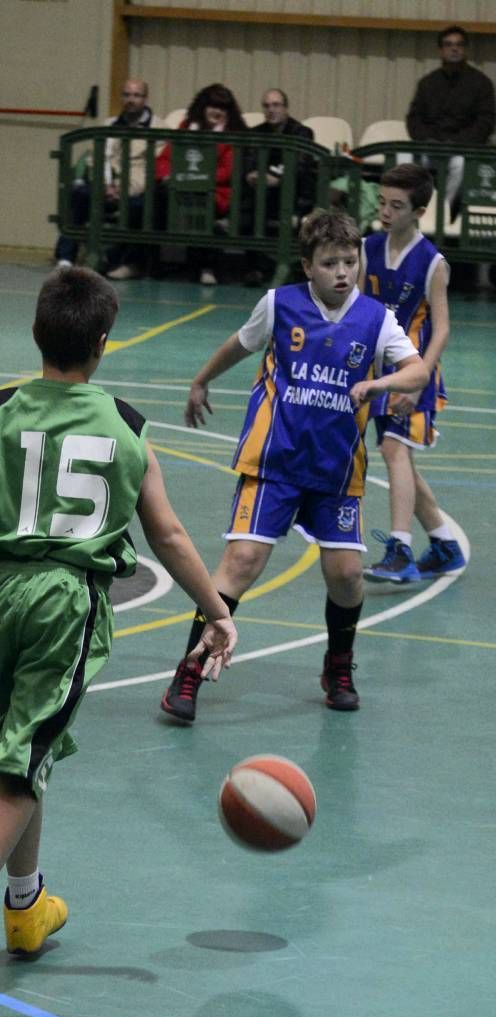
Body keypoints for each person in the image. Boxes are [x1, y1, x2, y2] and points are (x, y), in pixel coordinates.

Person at [0, 267, 237, 1007]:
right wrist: (215, 608)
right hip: (68, 599)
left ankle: (25, 908)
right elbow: (169, 533)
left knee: (25, 743)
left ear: (37, 334)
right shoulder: (124, 423)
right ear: (102, 342)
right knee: (23, 751)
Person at [159, 210, 428, 723]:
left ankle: (338, 665)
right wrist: (200, 380)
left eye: (350, 262)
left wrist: (379, 386)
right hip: (274, 462)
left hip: (335, 472)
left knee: (346, 574)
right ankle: (190, 671)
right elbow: (240, 344)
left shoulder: (375, 319)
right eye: (330, 263)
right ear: (308, 266)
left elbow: (415, 370)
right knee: (240, 564)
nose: (342, 272)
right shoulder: (279, 305)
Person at [359, 164, 465, 582]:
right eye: (382, 202)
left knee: (393, 451)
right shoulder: (368, 248)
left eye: (396, 205)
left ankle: (400, 549)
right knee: (399, 457)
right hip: (380, 373)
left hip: (415, 371)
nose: (386, 211)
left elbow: (442, 327)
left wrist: (421, 374)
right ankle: (443, 544)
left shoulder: (431, 262)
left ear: (419, 210)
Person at [53, 79, 165, 278]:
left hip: (136, 189)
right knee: (79, 195)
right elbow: (97, 159)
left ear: (145, 99)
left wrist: (124, 190)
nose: (131, 100)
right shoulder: (109, 125)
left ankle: (128, 262)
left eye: (136, 95)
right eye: (127, 95)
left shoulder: (160, 129)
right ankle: (65, 258)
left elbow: (155, 169)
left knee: (143, 207)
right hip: (105, 186)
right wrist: (105, 185)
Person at [154, 84, 247, 286]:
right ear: (202, 107)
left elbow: (228, 170)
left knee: (200, 205)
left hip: (216, 192)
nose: (217, 111)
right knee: (157, 197)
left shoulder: (233, 133)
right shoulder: (187, 127)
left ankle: (206, 266)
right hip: (180, 188)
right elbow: (165, 158)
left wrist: (198, 179)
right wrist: (168, 175)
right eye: (212, 106)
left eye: (222, 108)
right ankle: (154, 263)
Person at [406, 25, 495, 213]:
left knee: (460, 165)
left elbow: (485, 122)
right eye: (448, 45)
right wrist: (428, 140)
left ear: (465, 49)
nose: (454, 48)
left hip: (463, 150)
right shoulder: (428, 83)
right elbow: (414, 118)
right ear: (441, 50)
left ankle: (445, 217)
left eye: (459, 44)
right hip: (430, 147)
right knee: (403, 159)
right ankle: (413, 214)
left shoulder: (481, 83)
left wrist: (457, 143)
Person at [242, 88, 316, 287]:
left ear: (285, 108)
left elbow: (300, 166)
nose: (271, 110)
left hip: (294, 197)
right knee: (247, 210)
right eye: (266, 106)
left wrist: (278, 178)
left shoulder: (302, 132)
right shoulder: (255, 133)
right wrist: (251, 173)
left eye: (276, 105)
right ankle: (254, 269)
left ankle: (287, 269)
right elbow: (248, 161)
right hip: (260, 195)